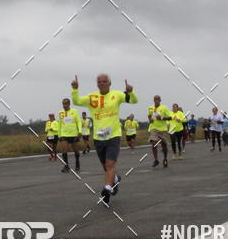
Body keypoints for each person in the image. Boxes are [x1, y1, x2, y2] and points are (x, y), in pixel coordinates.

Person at [72, 73, 137, 205]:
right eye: (99, 82)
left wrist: (131, 92)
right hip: (98, 137)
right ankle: (115, 180)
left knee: (110, 164)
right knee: (105, 167)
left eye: (104, 81)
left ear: (109, 83)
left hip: (114, 135)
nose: (101, 83)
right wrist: (75, 89)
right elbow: (77, 101)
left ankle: (106, 189)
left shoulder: (117, 95)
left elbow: (133, 101)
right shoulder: (92, 97)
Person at [147, 95, 172, 168]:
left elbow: (170, 117)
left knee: (164, 145)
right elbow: (149, 115)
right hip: (153, 128)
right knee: (153, 143)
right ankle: (156, 160)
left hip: (162, 129)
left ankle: (165, 159)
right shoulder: (150, 108)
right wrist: (150, 119)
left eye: (158, 99)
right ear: (153, 100)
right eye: (155, 99)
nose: (156, 100)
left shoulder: (164, 108)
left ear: (160, 100)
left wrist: (161, 118)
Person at [58, 98, 81, 174]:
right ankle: (66, 166)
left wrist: (80, 131)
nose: (64, 105)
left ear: (69, 104)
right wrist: (59, 135)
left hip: (73, 134)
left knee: (76, 151)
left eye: (65, 104)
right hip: (64, 134)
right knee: (64, 150)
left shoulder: (74, 111)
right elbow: (60, 125)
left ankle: (77, 163)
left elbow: (78, 122)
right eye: (63, 104)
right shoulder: (61, 113)